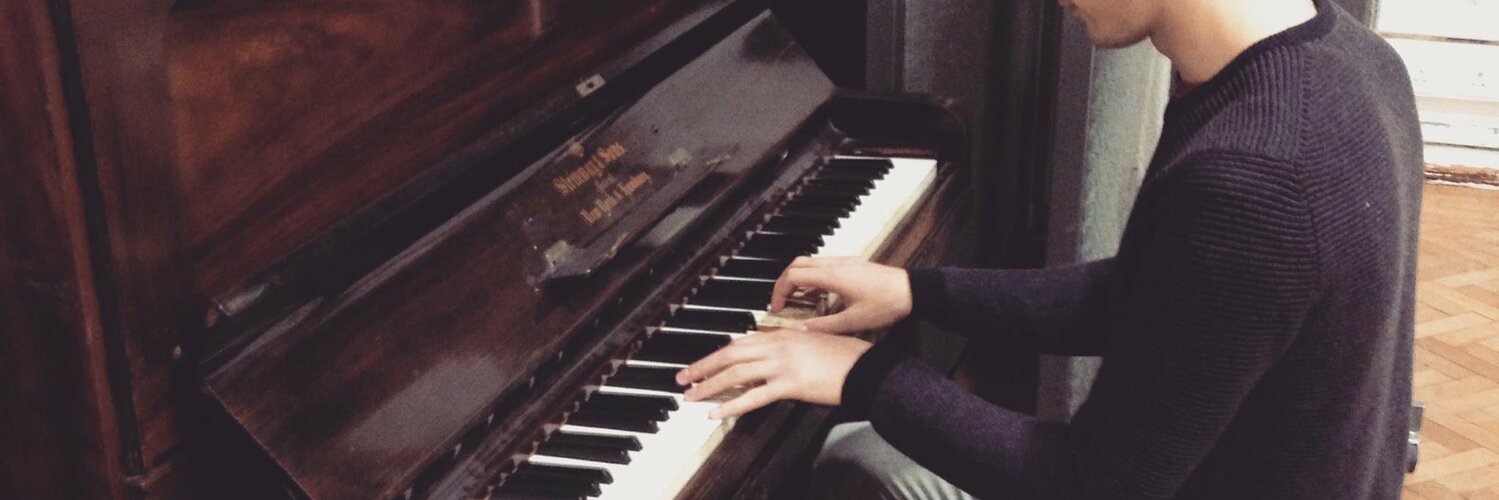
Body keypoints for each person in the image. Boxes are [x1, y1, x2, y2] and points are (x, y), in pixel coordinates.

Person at [674, 0, 1423, 497]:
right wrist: (917, 292)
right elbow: (1162, 297)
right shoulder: (1351, 57)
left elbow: (1088, 486)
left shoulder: (1252, 175)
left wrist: (860, 373)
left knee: (853, 458)